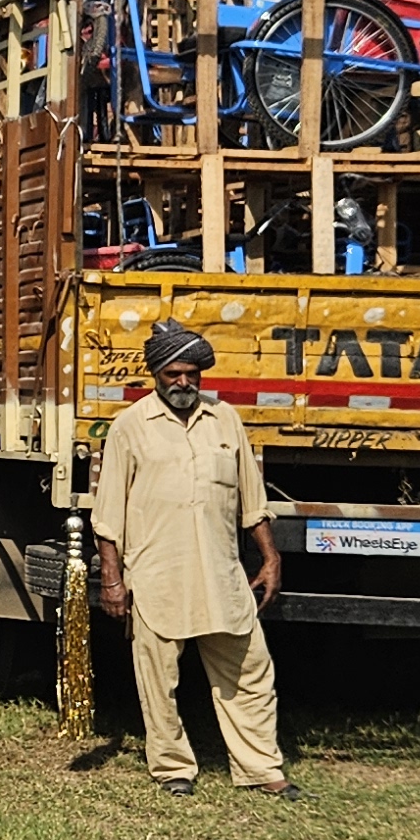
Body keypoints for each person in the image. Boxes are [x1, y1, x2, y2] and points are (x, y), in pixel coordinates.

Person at [93, 321, 289, 799]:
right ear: (156, 374)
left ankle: (263, 769)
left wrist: (269, 556)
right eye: (173, 374)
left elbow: (251, 499)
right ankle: (173, 768)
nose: (183, 383)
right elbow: (108, 515)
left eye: (191, 374)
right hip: (158, 576)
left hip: (221, 575)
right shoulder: (130, 426)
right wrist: (112, 581)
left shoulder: (226, 421)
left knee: (251, 672)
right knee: (159, 681)